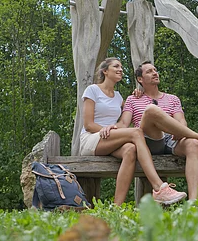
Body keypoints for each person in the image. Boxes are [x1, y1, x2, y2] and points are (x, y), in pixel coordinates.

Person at [79, 57, 187, 205]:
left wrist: (139, 93)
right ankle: (159, 188)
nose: (120, 69)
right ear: (105, 71)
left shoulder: (118, 97)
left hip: (110, 139)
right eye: (116, 66)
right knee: (136, 132)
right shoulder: (92, 90)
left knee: (130, 149)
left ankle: (117, 207)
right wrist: (107, 129)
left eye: (121, 67)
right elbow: (88, 124)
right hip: (91, 139)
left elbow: (126, 117)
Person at [117, 61, 198, 201]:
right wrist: (109, 128)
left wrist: (179, 130)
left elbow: (181, 121)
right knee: (151, 110)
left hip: (171, 139)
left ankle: (193, 202)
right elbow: (124, 123)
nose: (155, 73)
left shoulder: (172, 99)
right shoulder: (133, 99)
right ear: (140, 79)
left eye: (155, 70)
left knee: (193, 144)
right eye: (149, 71)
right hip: (147, 139)